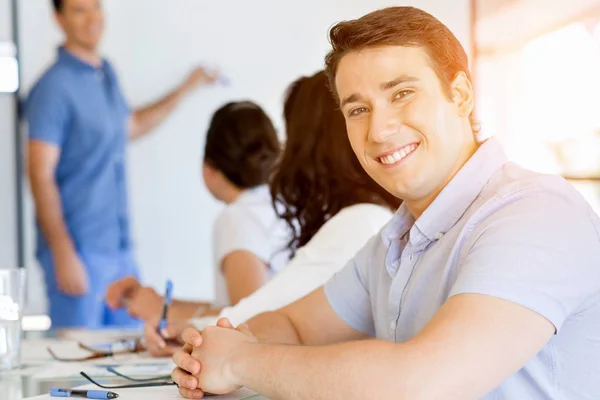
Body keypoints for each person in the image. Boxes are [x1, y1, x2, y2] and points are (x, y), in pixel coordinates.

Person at [171, 6, 600, 400]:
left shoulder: (536, 214)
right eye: (358, 110)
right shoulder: (395, 241)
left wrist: (239, 361)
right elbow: (295, 327)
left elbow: (421, 381)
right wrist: (212, 351)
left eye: (401, 94)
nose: (379, 130)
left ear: (462, 93)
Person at [140, 70, 401, 356]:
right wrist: (195, 327)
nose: (284, 154)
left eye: (291, 139)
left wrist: (194, 330)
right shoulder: (374, 217)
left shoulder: (359, 223)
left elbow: (265, 312)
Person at [26, 0, 218, 328]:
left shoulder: (106, 74)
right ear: (59, 18)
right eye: (79, 10)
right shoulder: (52, 88)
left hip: (120, 251)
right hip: (79, 251)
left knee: (130, 357)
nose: (92, 19)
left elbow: (131, 126)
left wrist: (187, 87)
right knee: (76, 365)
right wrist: (63, 252)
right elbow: (39, 174)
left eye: (96, 7)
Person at [106, 101, 291, 323]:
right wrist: (160, 303)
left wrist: (164, 313)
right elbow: (233, 308)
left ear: (209, 167)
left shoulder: (237, 218)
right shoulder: (282, 205)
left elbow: (249, 319)